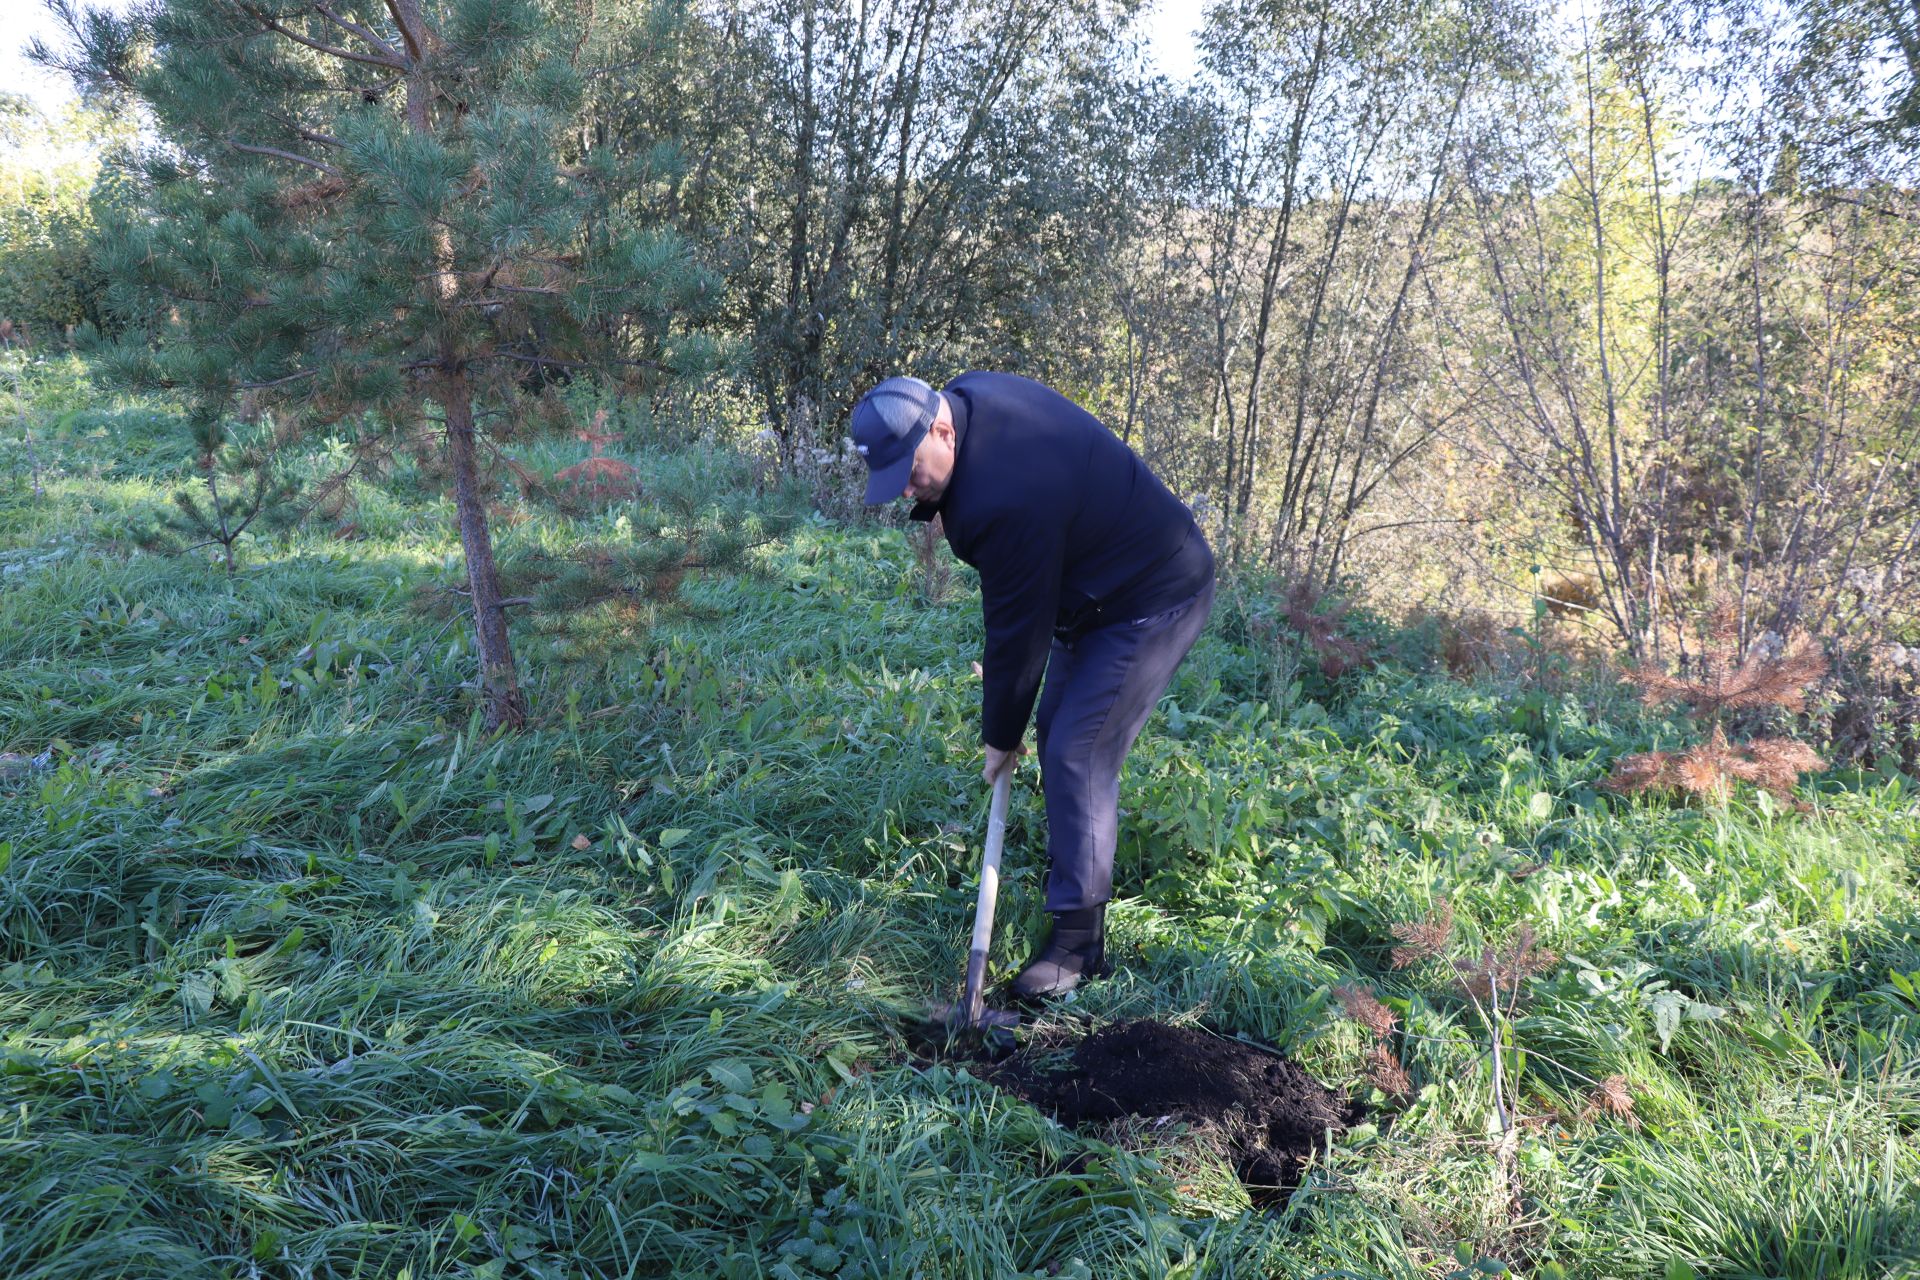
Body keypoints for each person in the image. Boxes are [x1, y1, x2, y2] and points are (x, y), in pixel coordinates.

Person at [850, 371, 1215, 999]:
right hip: (1091, 593)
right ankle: (1075, 885)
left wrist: (998, 736)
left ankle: (1079, 947)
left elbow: (1018, 634)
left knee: (1080, 747)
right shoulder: (965, 401)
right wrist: (1014, 716)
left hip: (1153, 594)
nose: (905, 490)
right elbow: (1024, 612)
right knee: (1058, 733)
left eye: (908, 470)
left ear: (940, 429)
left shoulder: (1004, 496)